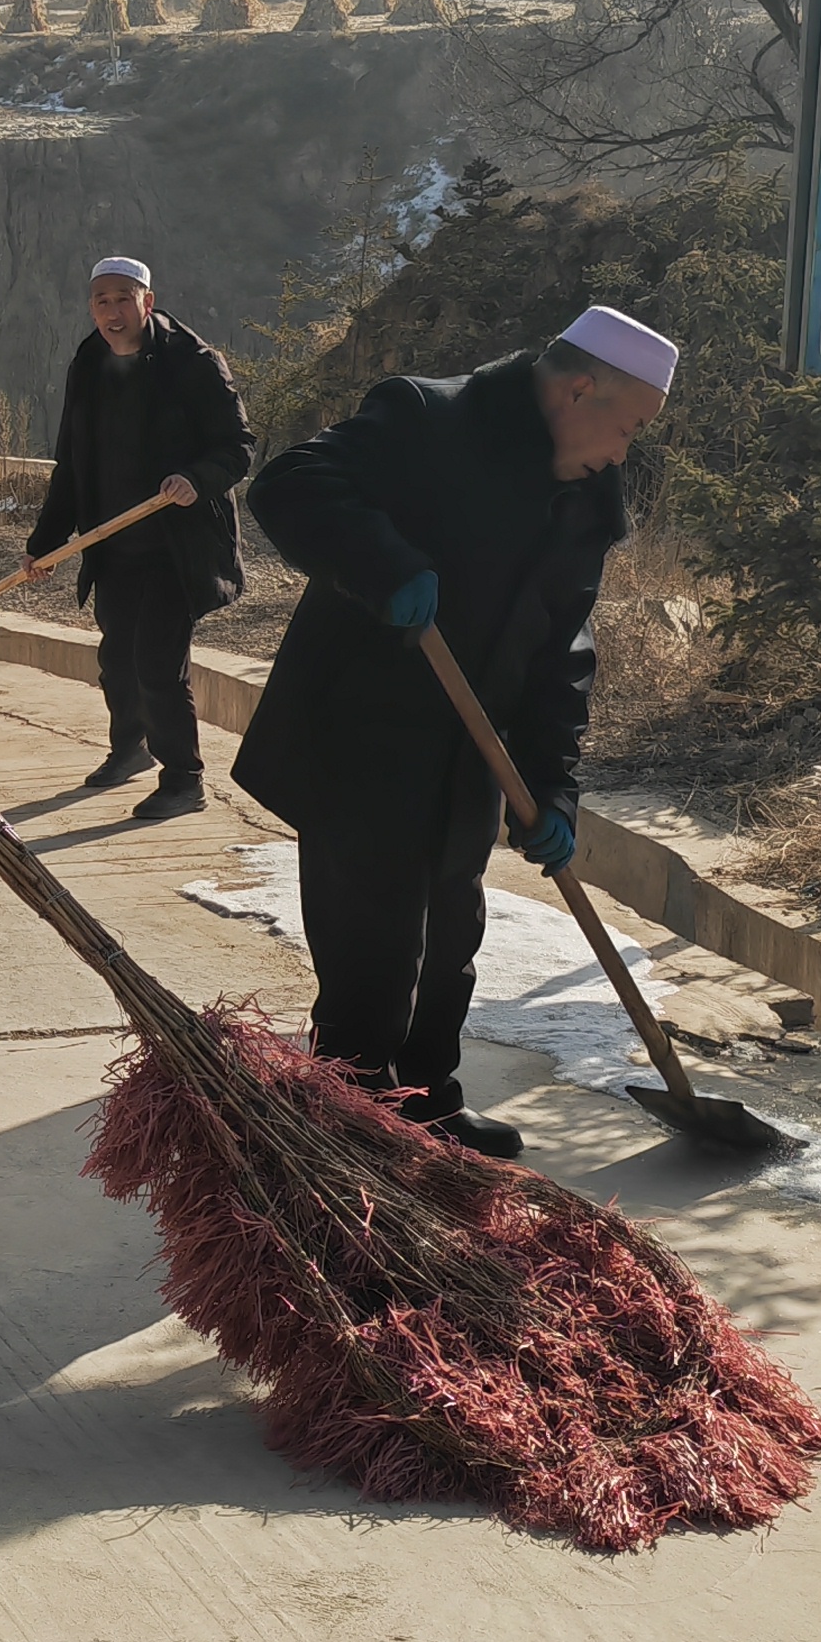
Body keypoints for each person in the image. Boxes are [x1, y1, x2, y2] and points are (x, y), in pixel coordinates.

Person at [235, 308, 674, 1161]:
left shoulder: (583, 501)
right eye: (629, 428)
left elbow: (562, 652)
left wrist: (553, 787)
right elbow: (289, 484)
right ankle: (351, 1124)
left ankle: (429, 1100)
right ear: (579, 390)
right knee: (373, 948)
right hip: (360, 737)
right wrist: (383, 565)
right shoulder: (429, 418)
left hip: (471, 751)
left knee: (450, 938)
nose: (625, 453)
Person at [23, 253, 255, 821]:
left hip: (177, 544)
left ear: (147, 302)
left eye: (123, 299)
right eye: (101, 301)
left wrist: (195, 479)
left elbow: (237, 446)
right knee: (118, 659)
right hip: (112, 542)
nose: (112, 311)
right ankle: (130, 748)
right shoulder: (88, 364)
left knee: (157, 661)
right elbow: (71, 463)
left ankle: (184, 779)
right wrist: (45, 542)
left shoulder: (193, 363)